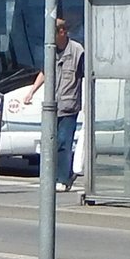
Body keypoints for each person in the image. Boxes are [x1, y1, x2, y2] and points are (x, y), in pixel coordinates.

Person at [23, 18, 84, 191]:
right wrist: (31, 92)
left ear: (63, 32)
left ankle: (63, 179)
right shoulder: (50, 49)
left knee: (64, 142)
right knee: (51, 143)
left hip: (69, 104)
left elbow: (85, 76)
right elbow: (45, 72)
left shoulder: (77, 51)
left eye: (54, 33)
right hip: (52, 106)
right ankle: (54, 177)